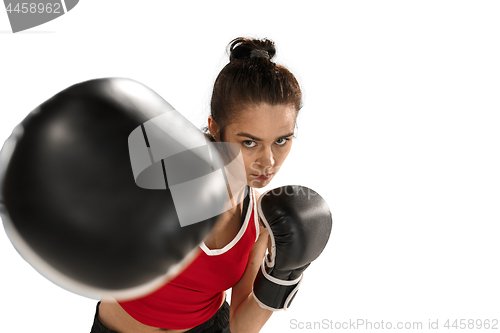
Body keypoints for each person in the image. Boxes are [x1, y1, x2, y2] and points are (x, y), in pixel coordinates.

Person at [92, 37, 303, 333]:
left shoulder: (263, 219)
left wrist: (284, 276)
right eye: (249, 142)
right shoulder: (167, 177)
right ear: (215, 127)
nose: (267, 161)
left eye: (281, 140)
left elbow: (241, 326)